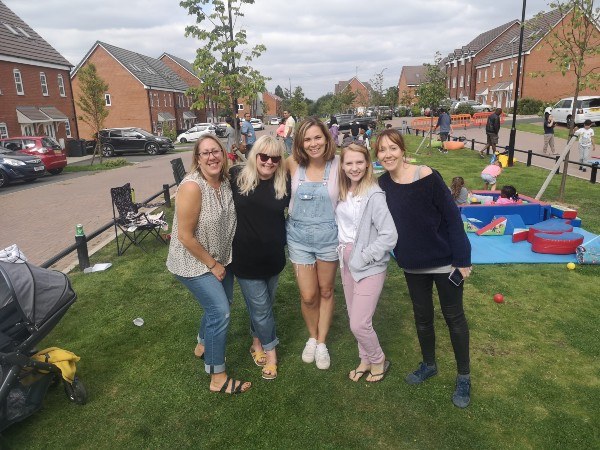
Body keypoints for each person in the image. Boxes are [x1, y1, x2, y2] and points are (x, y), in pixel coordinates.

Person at [375, 128, 473, 408]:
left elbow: (452, 217)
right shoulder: (382, 185)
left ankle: (463, 376)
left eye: (392, 148)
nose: (388, 154)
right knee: (422, 317)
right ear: (378, 155)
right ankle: (429, 364)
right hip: (412, 263)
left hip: (445, 262)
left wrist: (463, 259)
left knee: (454, 318)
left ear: (402, 150)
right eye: (382, 150)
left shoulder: (427, 176)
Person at [166, 135, 251, 395]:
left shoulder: (225, 182)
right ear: (197, 159)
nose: (212, 157)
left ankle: (203, 344)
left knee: (220, 305)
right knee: (220, 312)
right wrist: (213, 265)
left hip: (221, 258)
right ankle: (217, 376)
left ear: (224, 155)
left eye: (216, 151)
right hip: (193, 262)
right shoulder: (192, 187)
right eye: (205, 153)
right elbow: (184, 236)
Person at [230, 135, 290, 381]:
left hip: (274, 259)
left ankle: (256, 343)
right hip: (245, 259)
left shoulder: (284, 182)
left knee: (262, 307)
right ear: (255, 156)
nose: (268, 162)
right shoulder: (236, 177)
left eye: (274, 158)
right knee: (262, 310)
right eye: (263, 156)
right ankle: (271, 352)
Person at [336, 143, 397, 383]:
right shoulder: (343, 191)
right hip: (346, 260)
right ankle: (364, 359)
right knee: (354, 316)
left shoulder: (374, 194)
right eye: (349, 163)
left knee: (359, 323)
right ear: (342, 166)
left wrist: (365, 255)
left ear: (368, 164)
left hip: (368, 264)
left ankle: (378, 358)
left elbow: (389, 235)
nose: (354, 168)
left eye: (359, 162)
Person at [287, 117, 340, 370]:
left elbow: (363, 182)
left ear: (326, 138)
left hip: (329, 237)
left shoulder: (339, 164)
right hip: (298, 237)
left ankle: (321, 341)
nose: (313, 143)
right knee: (308, 296)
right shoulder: (292, 164)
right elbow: (260, 170)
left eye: (317, 137)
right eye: (307, 139)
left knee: (326, 290)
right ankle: (311, 335)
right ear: (300, 143)